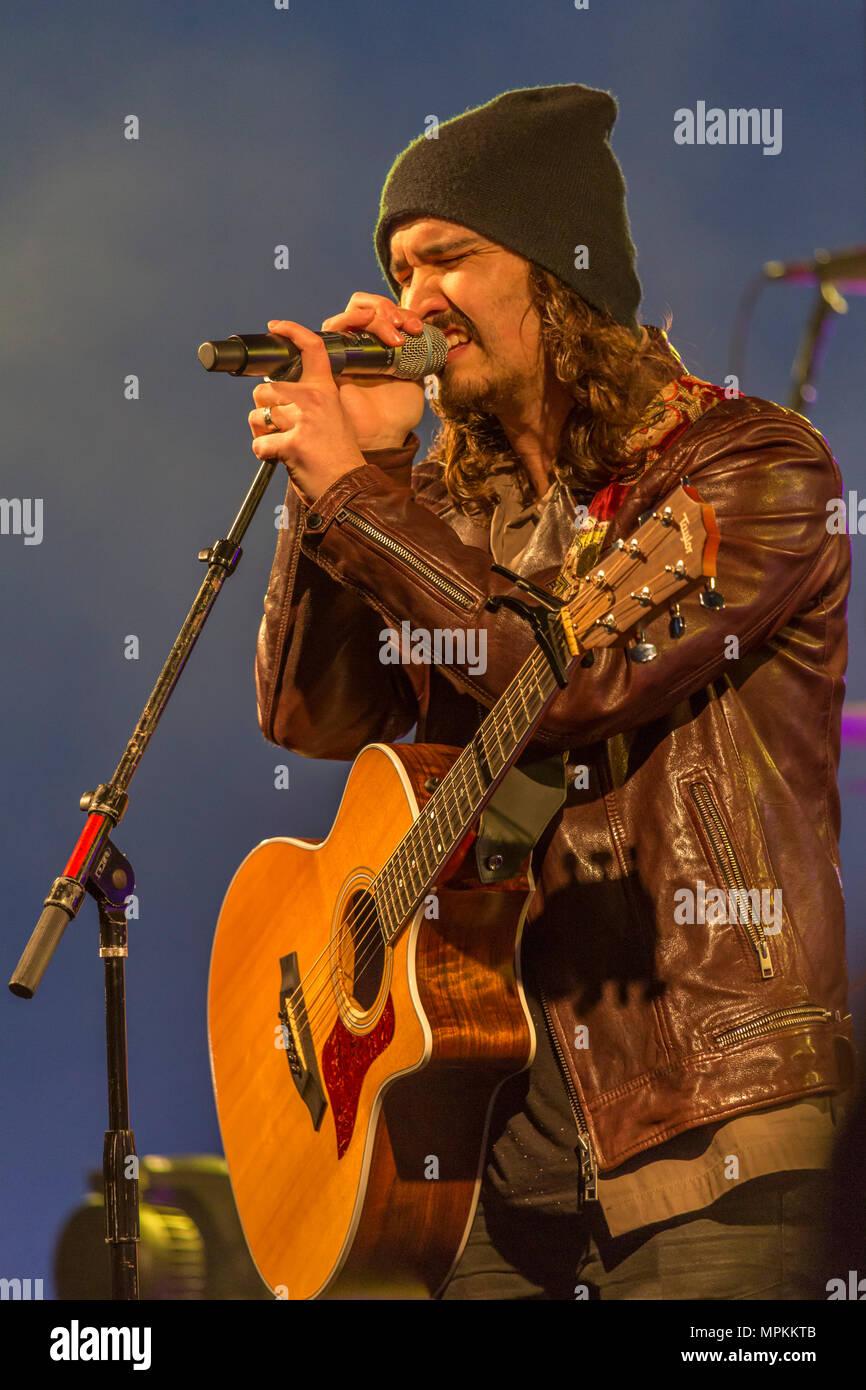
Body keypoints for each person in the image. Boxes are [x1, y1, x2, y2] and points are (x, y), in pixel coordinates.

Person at [250, 84, 854, 1299]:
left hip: (710, 1141)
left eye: (450, 259)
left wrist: (361, 499)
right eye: (398, 266)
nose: (413, 298)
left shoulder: (750, 469)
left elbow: (573, 686)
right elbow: (311, 717)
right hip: (480, 1161)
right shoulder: (454, 512)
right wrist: (357, 473)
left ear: (557, 272)